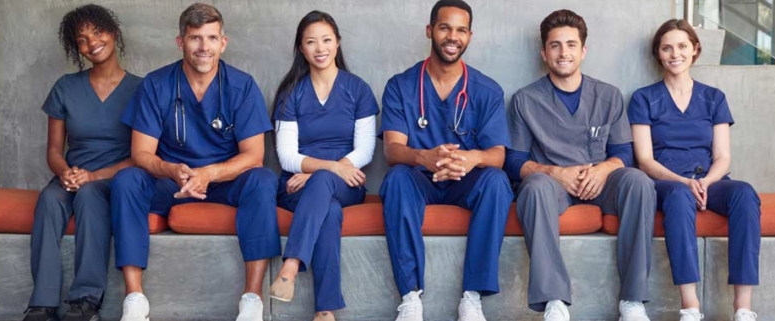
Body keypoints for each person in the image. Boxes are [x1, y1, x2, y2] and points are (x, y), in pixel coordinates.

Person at [110, 3, 280, 321]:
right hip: (171, 181)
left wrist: (209, 173)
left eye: (212, 38)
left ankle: (252, 302)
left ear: (223, 42)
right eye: (195, 38)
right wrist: (172, 170)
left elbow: (253, 155)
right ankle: (134, 301)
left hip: (224, 181)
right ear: (180, 42)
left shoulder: (241, 86)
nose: (204, 47)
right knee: (126, 179)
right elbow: (141, 153)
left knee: (263, 179)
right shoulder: (155, 84)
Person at [505, 9, 657, 321]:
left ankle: (632, 300)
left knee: (639, 182)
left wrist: (603, 170)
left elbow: (624, 153)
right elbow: (514, 161)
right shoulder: (524, 100)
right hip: (552, 187)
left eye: (571, 45)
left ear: (583, 50)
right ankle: (554, 301)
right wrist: (554, 173)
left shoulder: (609, 95)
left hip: (601, 183)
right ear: (544, 52)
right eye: (556, 45)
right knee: (533, 188)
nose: (564, 53)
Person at [378, 1, 513, 320]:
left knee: (497, 181)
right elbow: (392, 150)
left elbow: (498, 154)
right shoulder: (401, 85)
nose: (453, 36)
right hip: (419, 179)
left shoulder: (486, 89)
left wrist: (472, 158)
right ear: (430, 31)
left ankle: (472, 297)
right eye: (444, 27)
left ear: (469, 36)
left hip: (465, 182)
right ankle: (410, 297)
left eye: (461, 30)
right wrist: (423, 156)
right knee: (396, 178)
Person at [628, 19, 761, 321]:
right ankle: (690, 308)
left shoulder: (714, 98)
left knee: (744, 193)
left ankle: (743, 308)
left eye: (682, 46)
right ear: (658, 54)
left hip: (710, 180)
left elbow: (723, 156)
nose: (675, 53)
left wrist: (705, 182)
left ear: (695, 50)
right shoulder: (643, 98)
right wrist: (684, 182)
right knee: (678, 195)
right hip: (667, 181)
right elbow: (645, 160)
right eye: (666, 48)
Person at [24, 4, 142, 321]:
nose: (92, 43)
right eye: (82, 39)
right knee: (49, 198)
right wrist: (66, 174)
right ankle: (42, 303)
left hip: (115, 176)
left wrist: (93, 177)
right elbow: (53, 149)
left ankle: (85, 299)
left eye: (98, 33)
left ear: (113, 33)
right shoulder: (65, 86)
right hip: (72, 175)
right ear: (76, 47)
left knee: (91, 196)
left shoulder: (141, 89)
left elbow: (142, 156)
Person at [268, 10, 379, 321]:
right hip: (295, 184)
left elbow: (366, 149)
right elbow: (287, 156)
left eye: (327, 40)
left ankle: (290, 266)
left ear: (338, 43)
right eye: (311, 42)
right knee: (327, 209)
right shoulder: (291, 92)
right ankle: (325, 311)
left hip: (347, 181)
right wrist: (326, 169)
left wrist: (327, 170)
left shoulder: (358, 89)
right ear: (301, 48)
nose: (320, 48)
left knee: (322, 184)